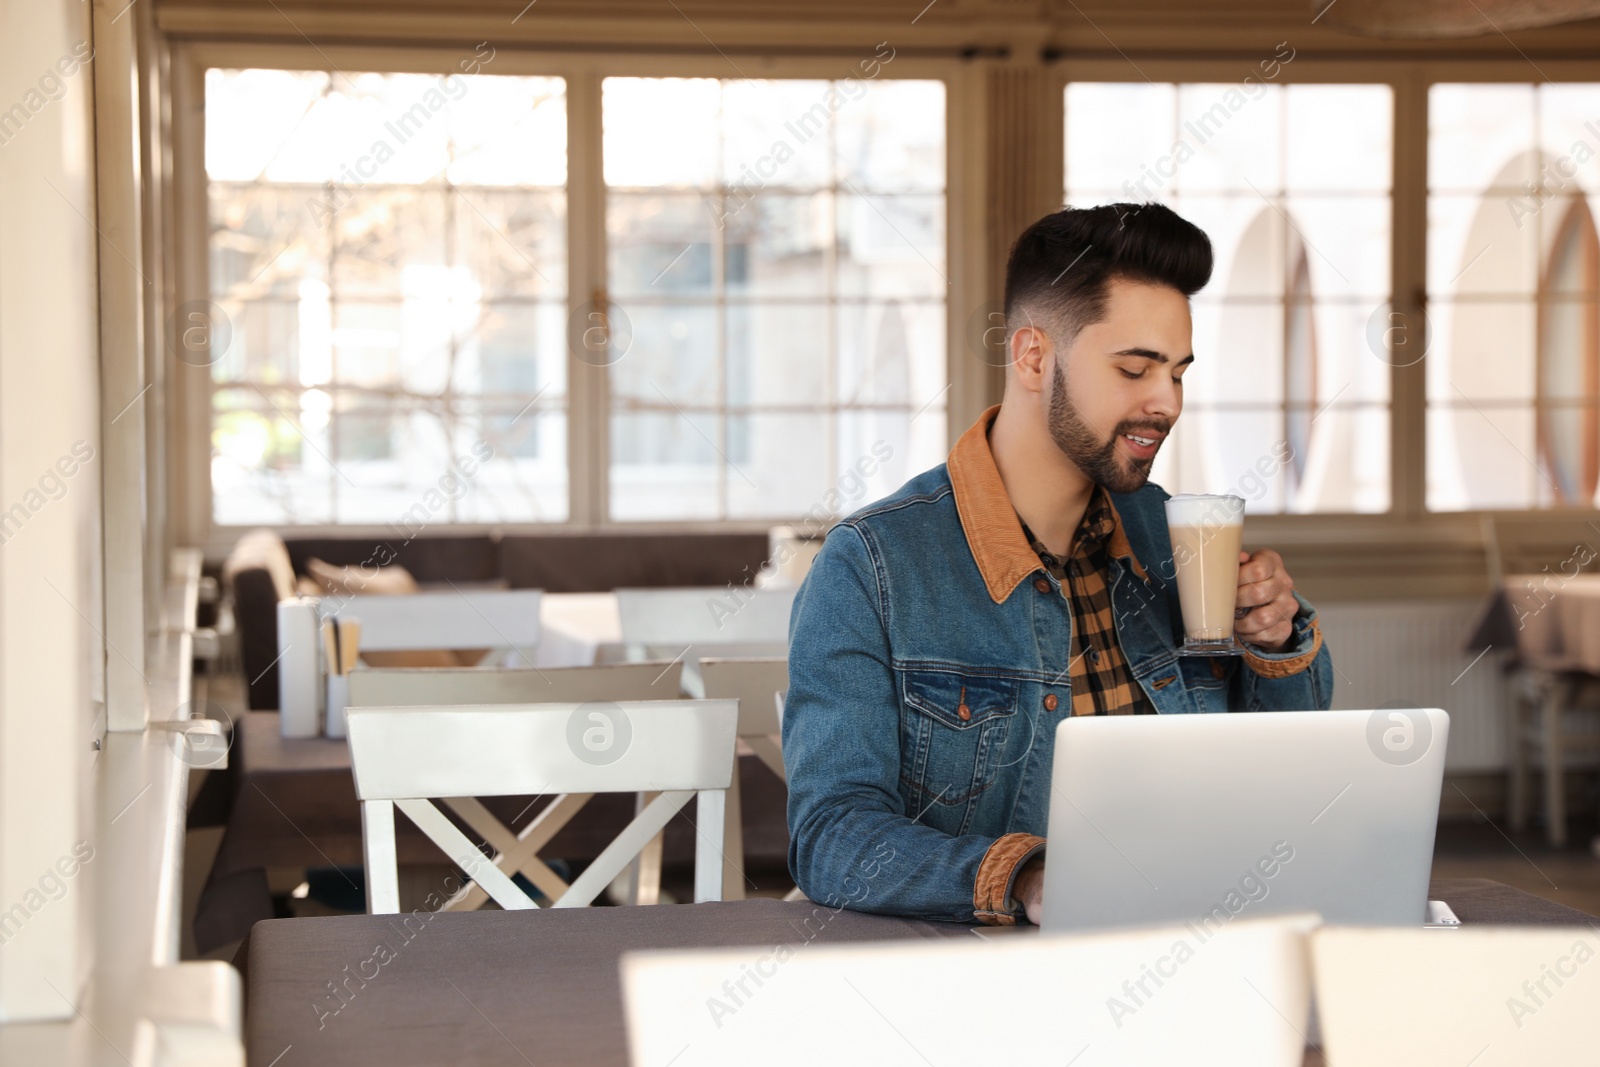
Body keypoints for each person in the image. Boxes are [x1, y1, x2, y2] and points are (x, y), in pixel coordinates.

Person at [782, 203, 1334, 926]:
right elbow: (833, 839)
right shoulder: (873, 568)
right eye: (1135, 368)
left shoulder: (1178, 537)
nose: (1165, 402)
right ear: (1034, 357)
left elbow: (1288, 771)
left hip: (1199, 947)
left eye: (1177, 372)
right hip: (986, 993)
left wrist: (1276, 641)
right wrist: (1027, 877)